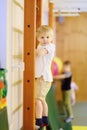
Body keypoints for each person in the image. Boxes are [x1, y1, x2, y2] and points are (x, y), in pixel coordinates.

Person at [35, 25, 55, 129]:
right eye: (42, 37)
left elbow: (39, 53)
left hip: (44, 77)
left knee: (38, 99)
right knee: (41, 99)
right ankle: (45, 119)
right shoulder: (40, 45)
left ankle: (38, 121)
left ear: (51, 38)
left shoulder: (50, 47)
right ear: (37, 38)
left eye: (47, 37)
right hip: (40, 77)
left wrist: (31, 51)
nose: (45, 40)